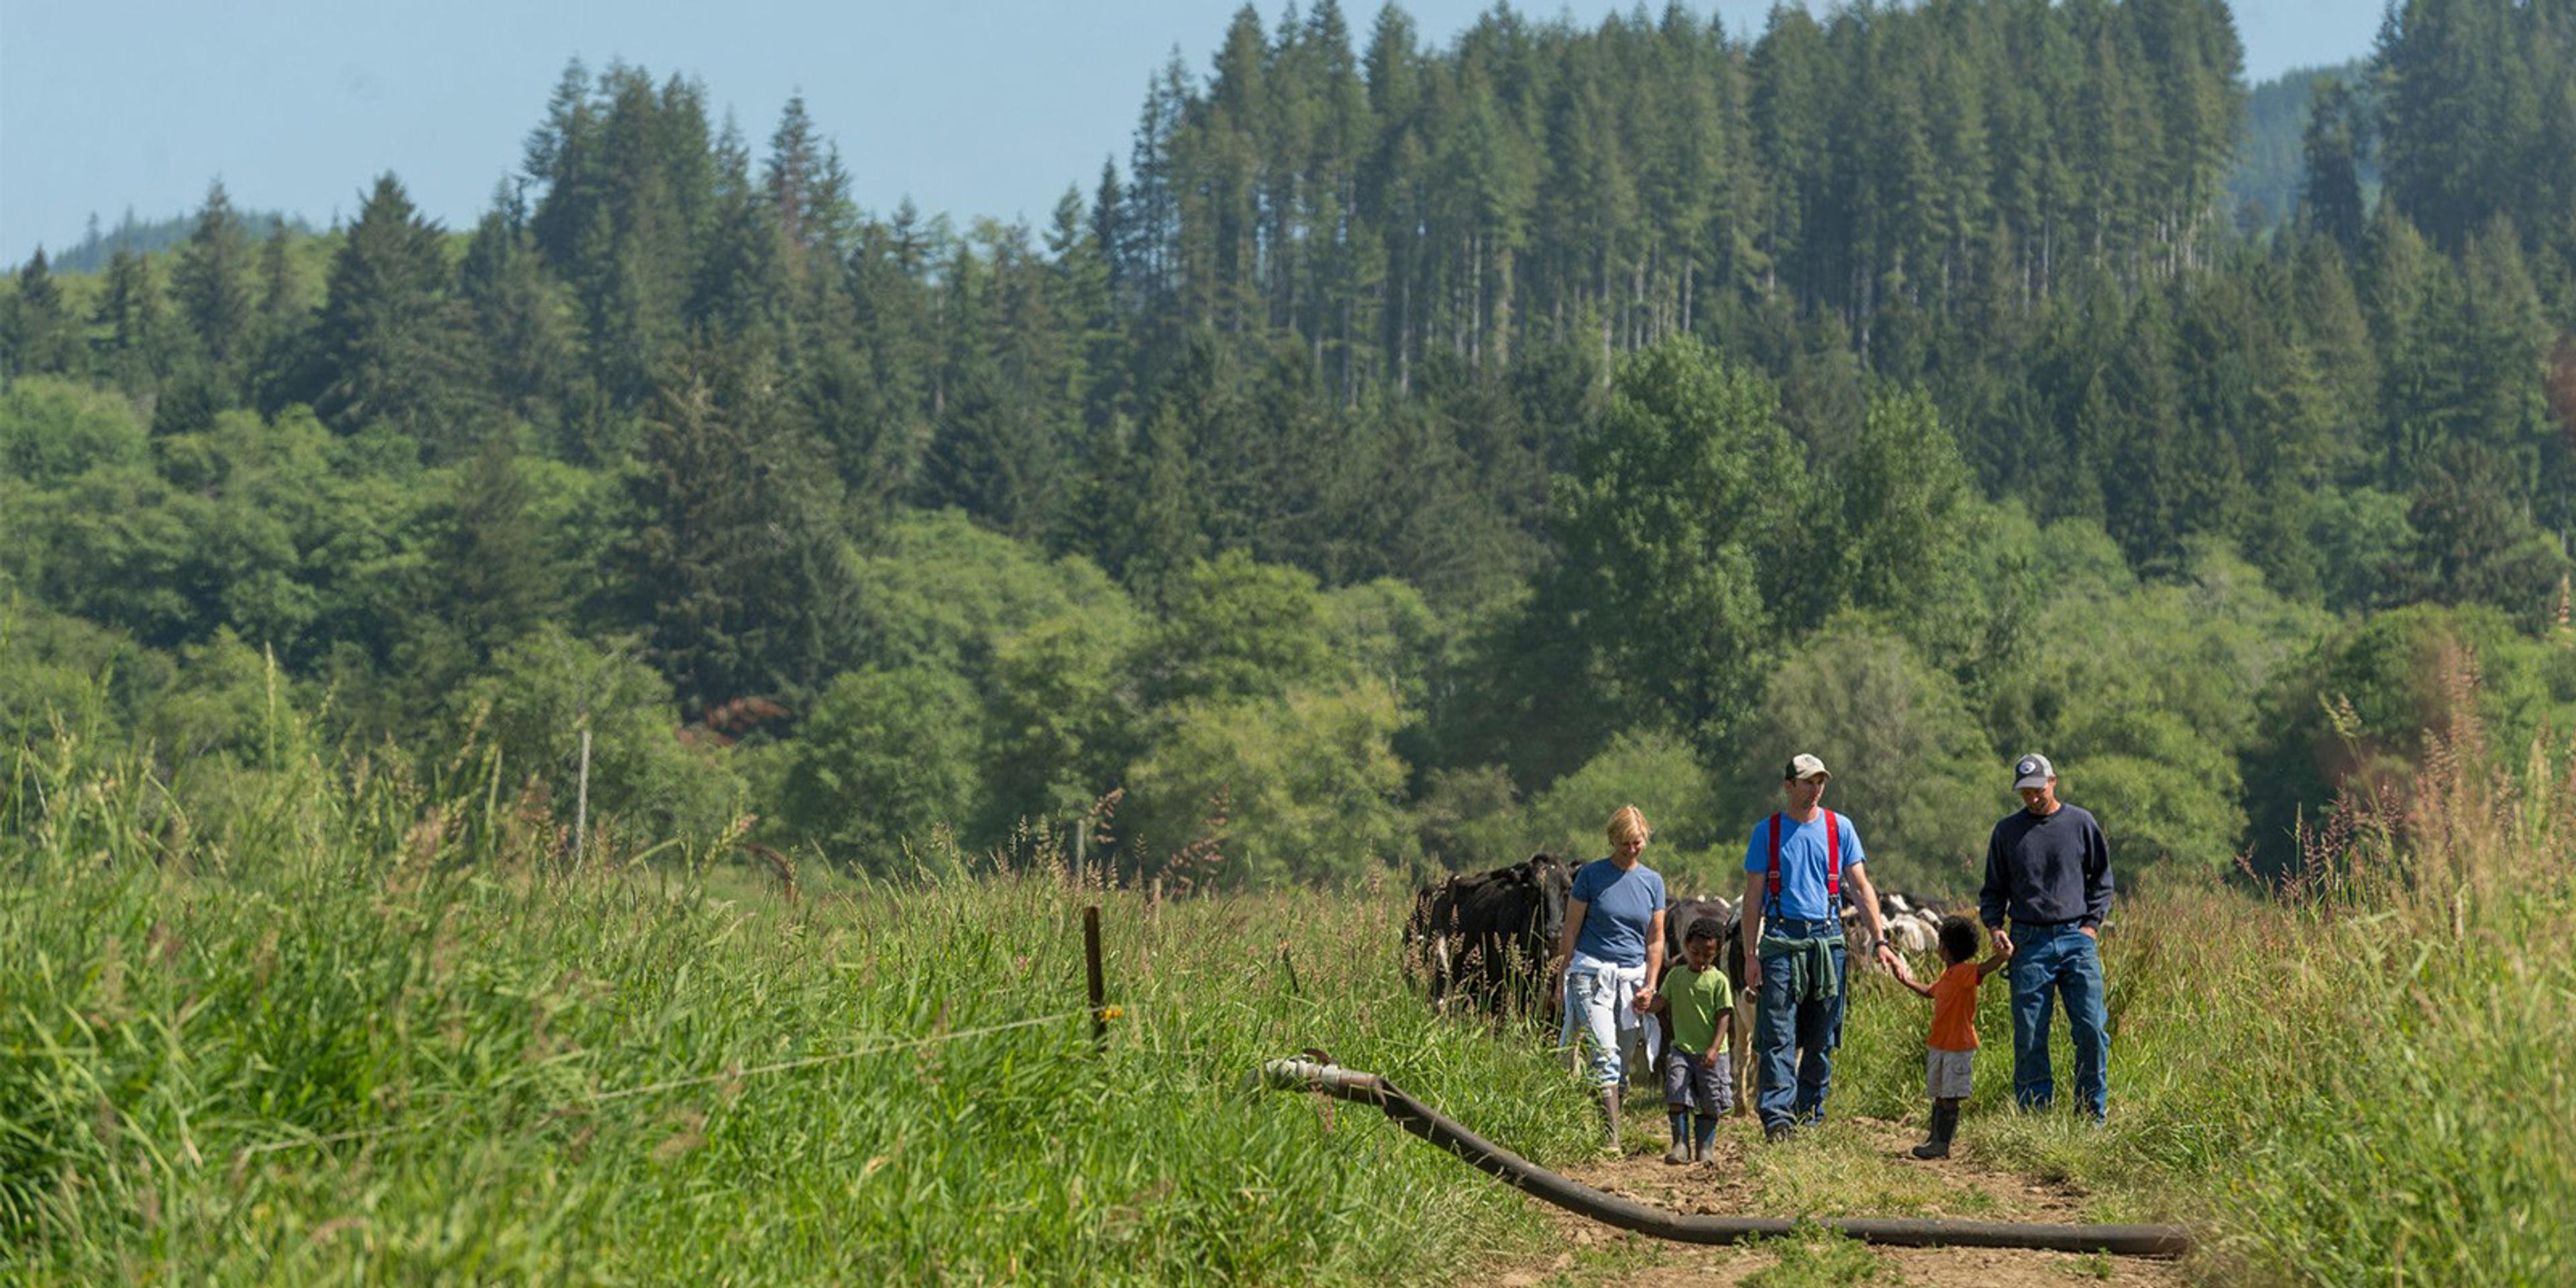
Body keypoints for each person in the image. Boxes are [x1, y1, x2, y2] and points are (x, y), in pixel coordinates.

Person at [1739, 754, 1899, 1142]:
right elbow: (1753, 895)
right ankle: (1778, 1119)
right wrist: (1750, 954)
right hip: (1780, 941)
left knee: (1820, 1037)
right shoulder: (1768, 832)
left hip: (1828, 942)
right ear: (1789, 785)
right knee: (1778, 1034)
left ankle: (1808, 1116)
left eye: (1820, 782)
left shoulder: (1839, 827)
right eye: (1808, 782)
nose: (1815, 789)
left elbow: (1861, 888)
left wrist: (1880, 940)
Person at [1980, 753, 2113, 1122]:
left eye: (2038, 789)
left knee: (2090, 1029)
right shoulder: (2006, 832)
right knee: (2030, 1037)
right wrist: (1995, 929)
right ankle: (2035, 1118)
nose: (2032, 798)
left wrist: (2090, 927)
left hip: (2076, 938)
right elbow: (1993, 891)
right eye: (2025, 792)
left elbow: (2102, 880)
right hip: (2028, 941)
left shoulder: (2081, 823)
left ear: (2053, 781)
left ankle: (2090, 1114)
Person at [1552, 804, 1668, 1150]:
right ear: (1612, 840)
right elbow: (1571, 929)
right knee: (1606, 1050)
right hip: (1591, 974)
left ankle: (1599, 1112)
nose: (1631, 850)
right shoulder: (1591, 876)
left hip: (1631, 979)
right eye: (1625, 844)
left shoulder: (1653, 882)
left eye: (1637, 843)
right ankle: (1611, 1139)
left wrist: (1650, 984)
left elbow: (1656, 937)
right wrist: (1562, 978)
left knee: (1623, 1056)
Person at [1890, 915, 2010, 1159]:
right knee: (1939, 1094)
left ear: (1944, 947)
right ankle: (1935, 1140)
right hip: (1940, 1044)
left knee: (1950, 1096)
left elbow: (1985, 968)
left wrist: (2003, 956)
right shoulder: (1948, 976)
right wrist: (1906, 981)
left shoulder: (1965, 973)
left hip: (1957, 1045)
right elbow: (1930, 992)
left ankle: (1941, 1145)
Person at [1646, 916, 1733, 1165]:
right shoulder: (1675, 976)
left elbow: (1724, 1016)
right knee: (1677, 1094)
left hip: (1711, 1053)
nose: (1700, 958)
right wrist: (1646, 1005)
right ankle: (1680, 1145)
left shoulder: (1719, 981)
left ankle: (1705, 1148)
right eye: (1695, 952)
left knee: (1711, 1102)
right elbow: (1661, 1002)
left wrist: (1715, 1047)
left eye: (1707, 954)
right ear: (1686, 945)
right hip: (1682, 1049)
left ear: (1716, 954)